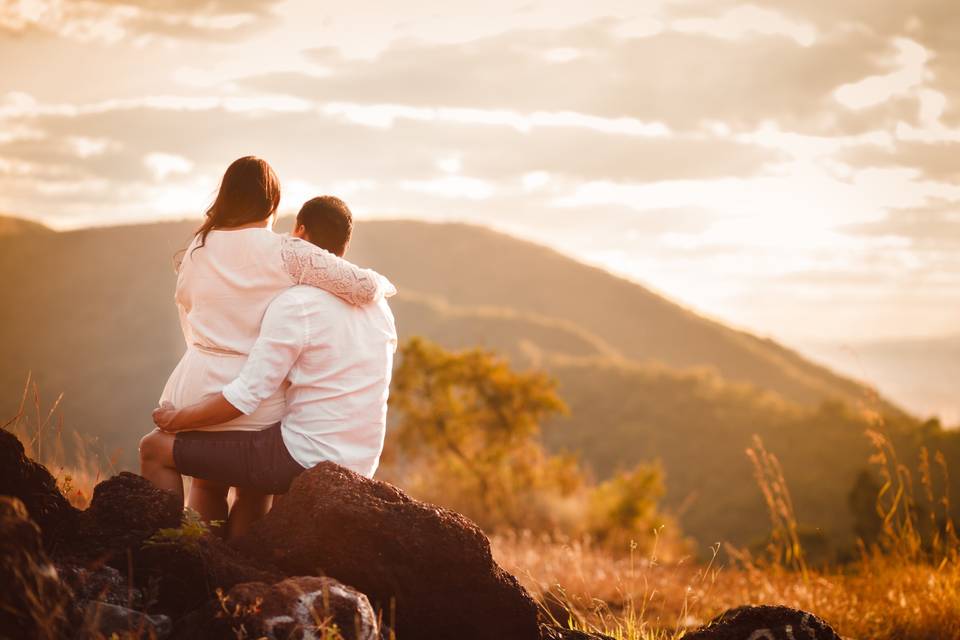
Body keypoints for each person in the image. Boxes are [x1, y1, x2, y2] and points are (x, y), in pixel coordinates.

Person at [139, 157, 394, 535]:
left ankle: (180, 553)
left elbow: (188, 316)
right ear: (272, 203)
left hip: (195, 379)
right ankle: (234, 568)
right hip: (254, 396)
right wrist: (382, 288)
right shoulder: (287, 252)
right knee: (252, 490)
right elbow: (362, 287)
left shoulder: (197, 248)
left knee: (206, 481)